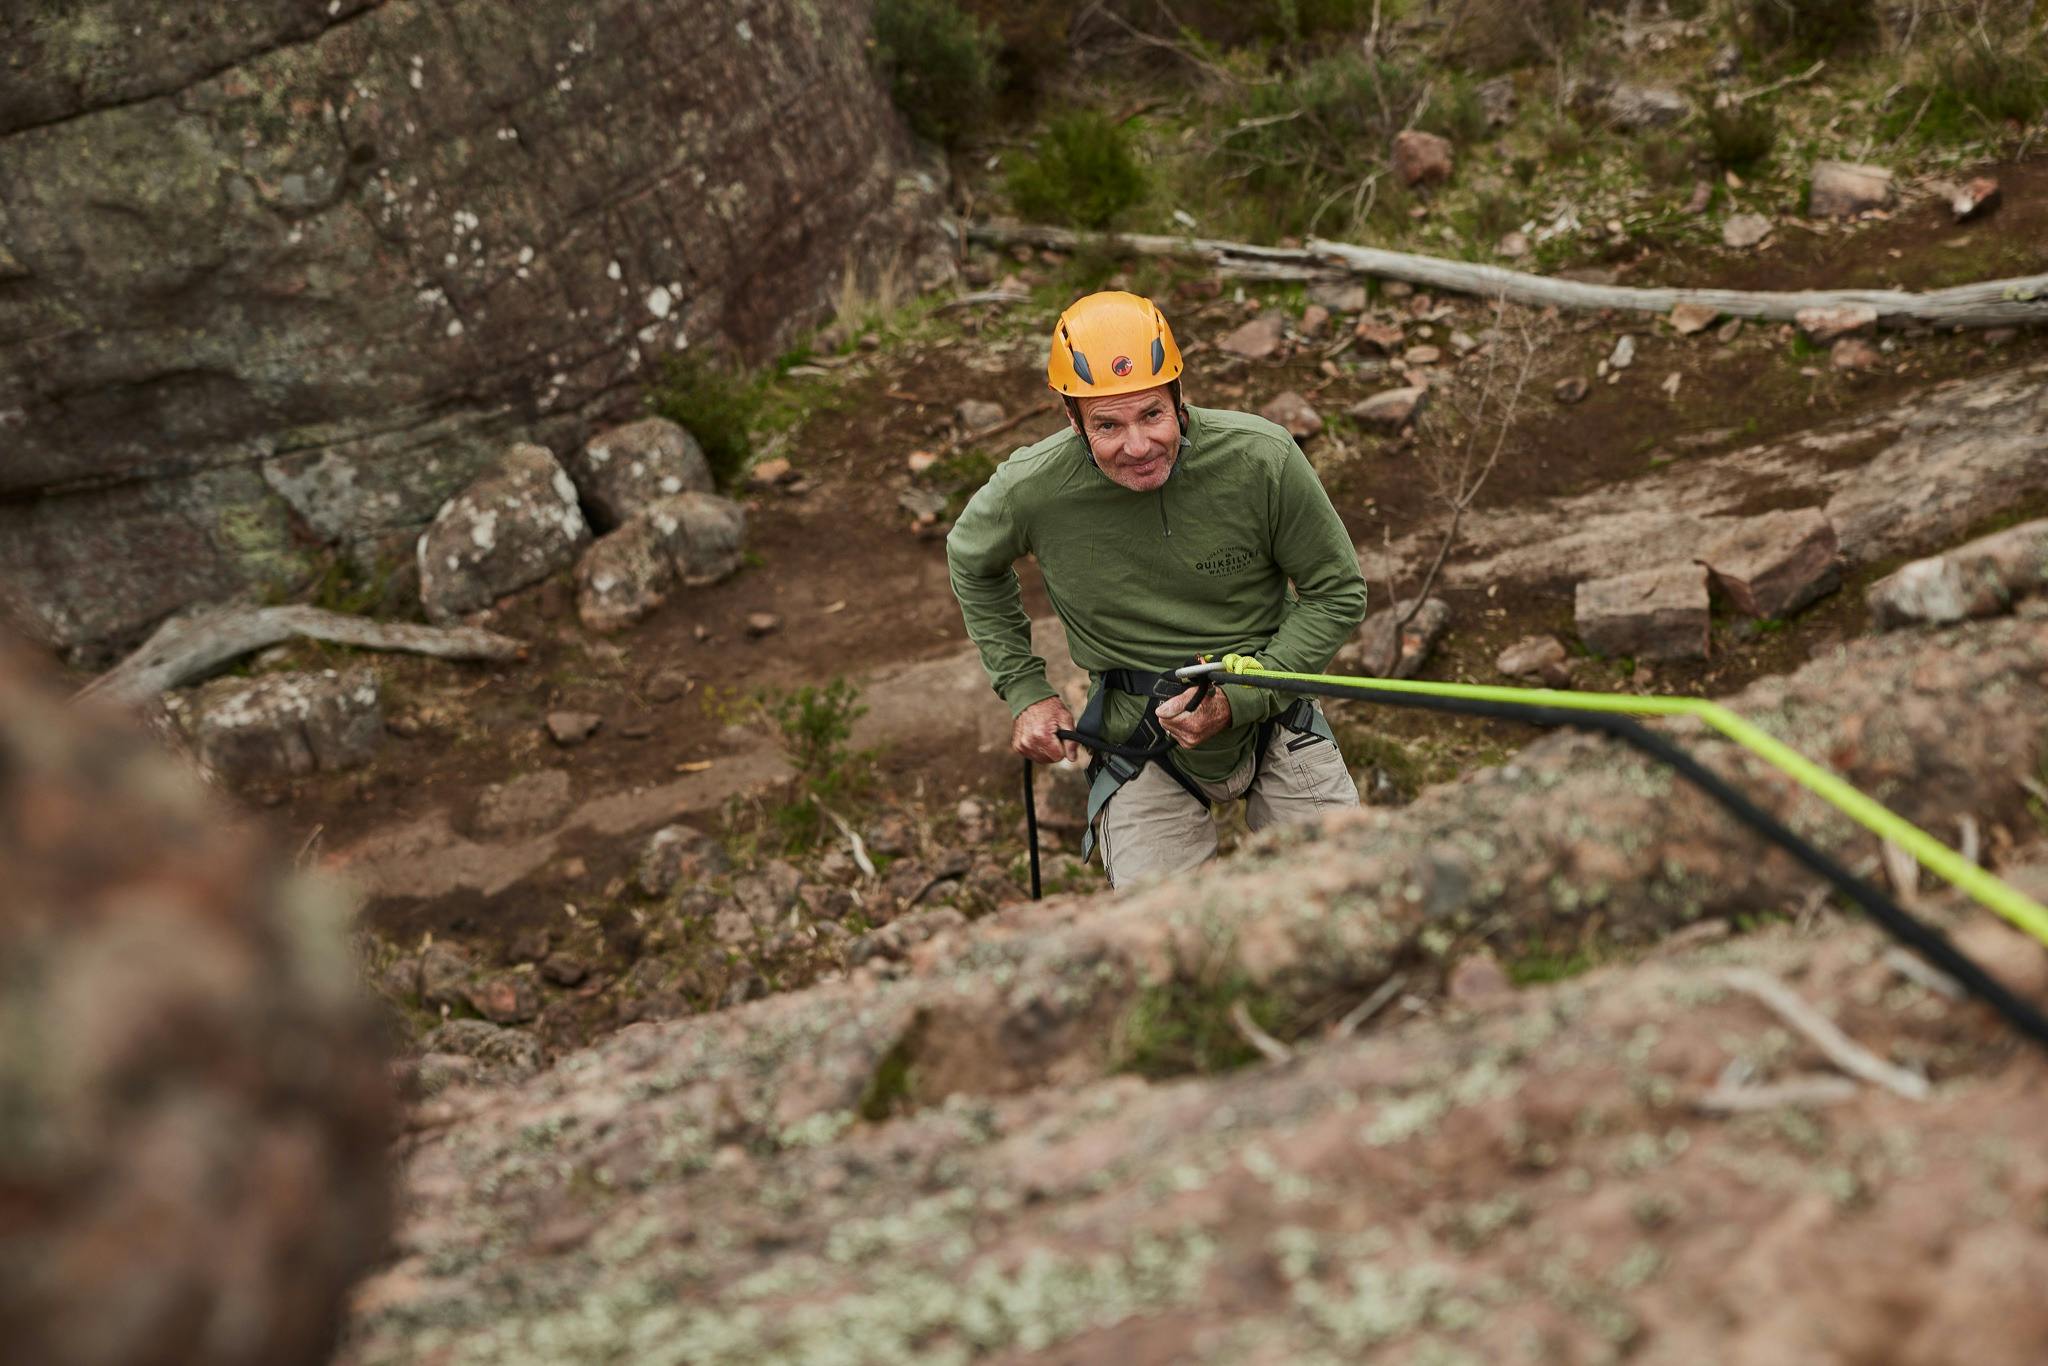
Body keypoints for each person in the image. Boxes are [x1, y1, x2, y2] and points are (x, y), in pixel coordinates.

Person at [947, 290, 1368, 887]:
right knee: (1163, 953)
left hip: (1273, 714)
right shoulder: (1032, 489)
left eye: (1152, 415)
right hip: (1137, 740)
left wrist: (1242, 698)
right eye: (1107, 425)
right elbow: (969, 561)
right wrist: (1026, 690)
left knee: (1348, 897)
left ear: (1179, 397)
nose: (1138, 446)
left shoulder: (1261, 458)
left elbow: (1336, 590)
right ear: (1072, 419)